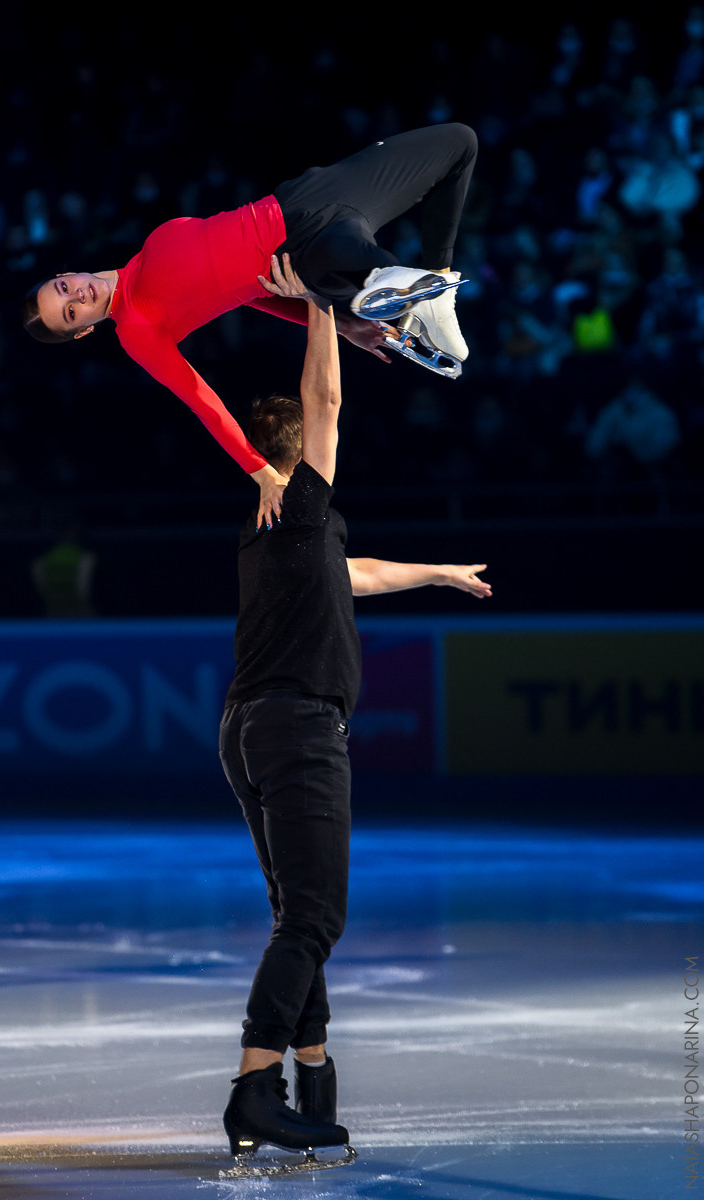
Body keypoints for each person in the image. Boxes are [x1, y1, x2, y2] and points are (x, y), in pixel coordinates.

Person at [217, 255, 490, 1168]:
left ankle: (311, 1078)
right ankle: (254, 1090)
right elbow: (326, 400)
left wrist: (439, 572)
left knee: (298, 911)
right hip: (296, 728)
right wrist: (322, 305)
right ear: (298, 457)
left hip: (251, 729)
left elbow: (355, 574)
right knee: (314, 918)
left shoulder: (280, 528)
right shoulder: (298, 500)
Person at [22, 125, 478, 527]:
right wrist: (261, 472)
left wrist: (343, 326)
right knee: (347, 265)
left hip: (307, 196)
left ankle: (431, 289)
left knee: (460, 143)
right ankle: (392, 287)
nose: (77, 296)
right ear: (83, 331)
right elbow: (202, 401)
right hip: (305, 251)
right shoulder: (136, 329)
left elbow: (251, 292)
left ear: (67, 273)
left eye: (63, 288)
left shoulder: (145, 251)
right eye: (70, 313)